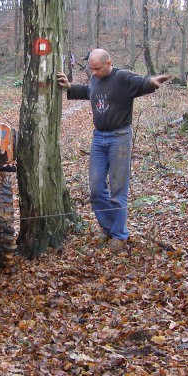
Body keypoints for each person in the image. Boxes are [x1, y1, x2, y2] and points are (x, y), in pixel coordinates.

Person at [57, 49, 173, 250]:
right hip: (98, 138)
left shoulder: (122, 77)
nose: (93, 72)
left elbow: (142, 83)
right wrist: (70, 87)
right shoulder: (95, 78)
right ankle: (108, 228)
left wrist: (153, 82)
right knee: (96, 188)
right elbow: (89, 91)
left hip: (119, 138)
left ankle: (119, 235)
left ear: (109, 63)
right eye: (90, 68)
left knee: (118, 188)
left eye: (97, 68)